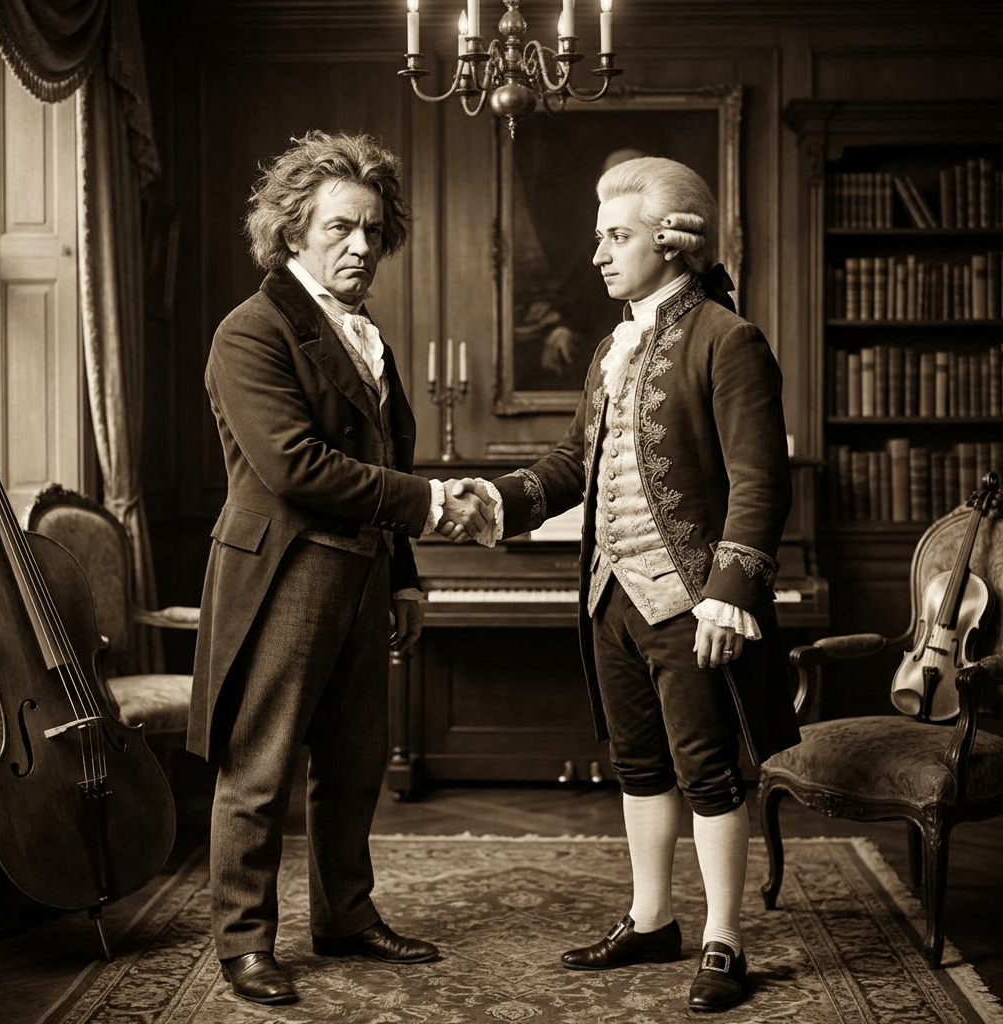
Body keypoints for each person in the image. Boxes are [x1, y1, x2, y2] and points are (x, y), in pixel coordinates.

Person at [445, 156, 800, 1012]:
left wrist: (728, 593)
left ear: (672, 243)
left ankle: (723, 938)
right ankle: (650, 919)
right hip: (610, 594)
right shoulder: (613, 346)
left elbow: (760, 482)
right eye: (598, 237)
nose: (600, 255)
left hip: (689, 600)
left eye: (617, 237)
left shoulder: (728, 338)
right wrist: (498, 498)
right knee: (639, 764)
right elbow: (577, 462)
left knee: (708, 771)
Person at [188, 129, 491, 1006]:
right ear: (292, 233)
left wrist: (401, 575)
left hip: (360, 575)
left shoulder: (367, 337)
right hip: (282, 574)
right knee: (260, 767)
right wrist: (433, 509)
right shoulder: (250, 331)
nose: (360, 246)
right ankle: (245, 943)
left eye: (371, 229)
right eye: (338, 229)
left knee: (356, 761)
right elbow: (298, 468)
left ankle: (346, 918)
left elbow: (378, 459)